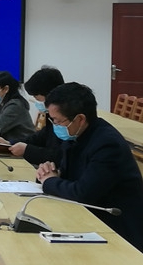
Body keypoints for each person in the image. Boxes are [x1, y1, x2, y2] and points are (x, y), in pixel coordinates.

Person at [36, 82, 143, 252]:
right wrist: (49, 171)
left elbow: (82, 193)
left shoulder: (107, 144)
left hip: (117, 228)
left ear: (80, 119)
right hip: (89, 216)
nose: (54, 125)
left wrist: (49, 181)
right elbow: (67, 174)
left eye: (57, 121)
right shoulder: (75, 135)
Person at [0, 66, 64, 165]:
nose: (35, 101)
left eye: (36, 97)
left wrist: (27, 150)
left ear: (50, 94)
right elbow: (38, 138)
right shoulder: (51, 117)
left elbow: (59, 155)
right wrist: (9, 143)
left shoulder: (65, 119)